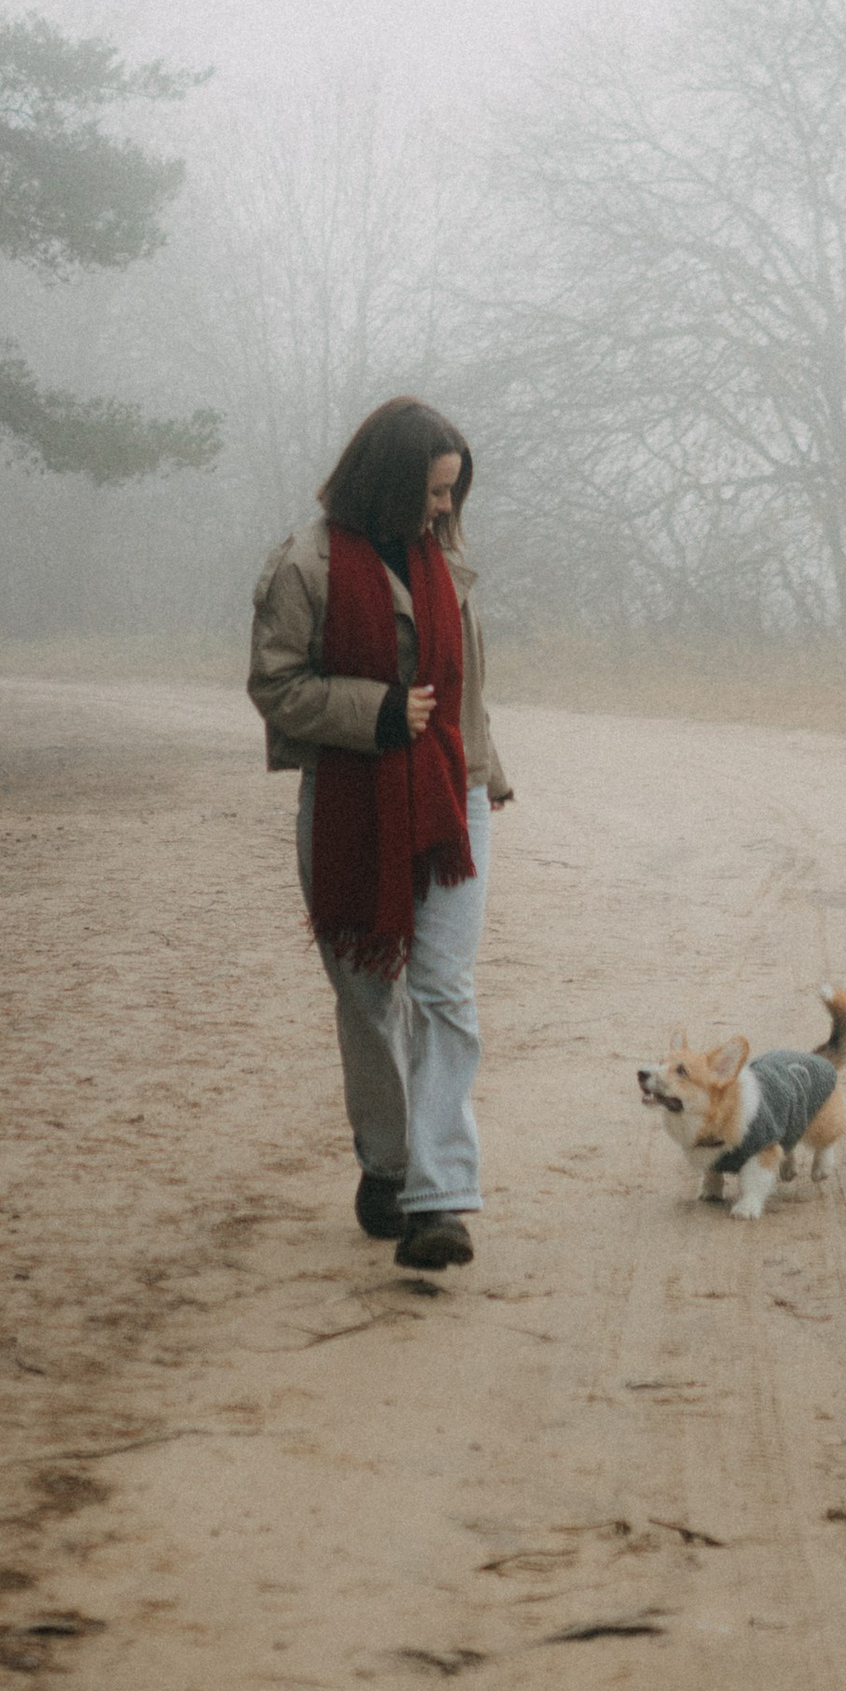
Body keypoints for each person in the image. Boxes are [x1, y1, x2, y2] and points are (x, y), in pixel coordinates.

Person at [247, 395, 514, 1272]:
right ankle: (388, 1166)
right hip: (350, 801)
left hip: (451, 797)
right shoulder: (305, 564)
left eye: (452, 494)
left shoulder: (444, 556)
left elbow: (460, 686)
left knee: (443, 989)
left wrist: (486, 769)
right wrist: (382, 712)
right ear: (391, 480)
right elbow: (277, 687)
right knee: (369, 999)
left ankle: (439, 1197)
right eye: (435, 491)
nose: (445, 510)